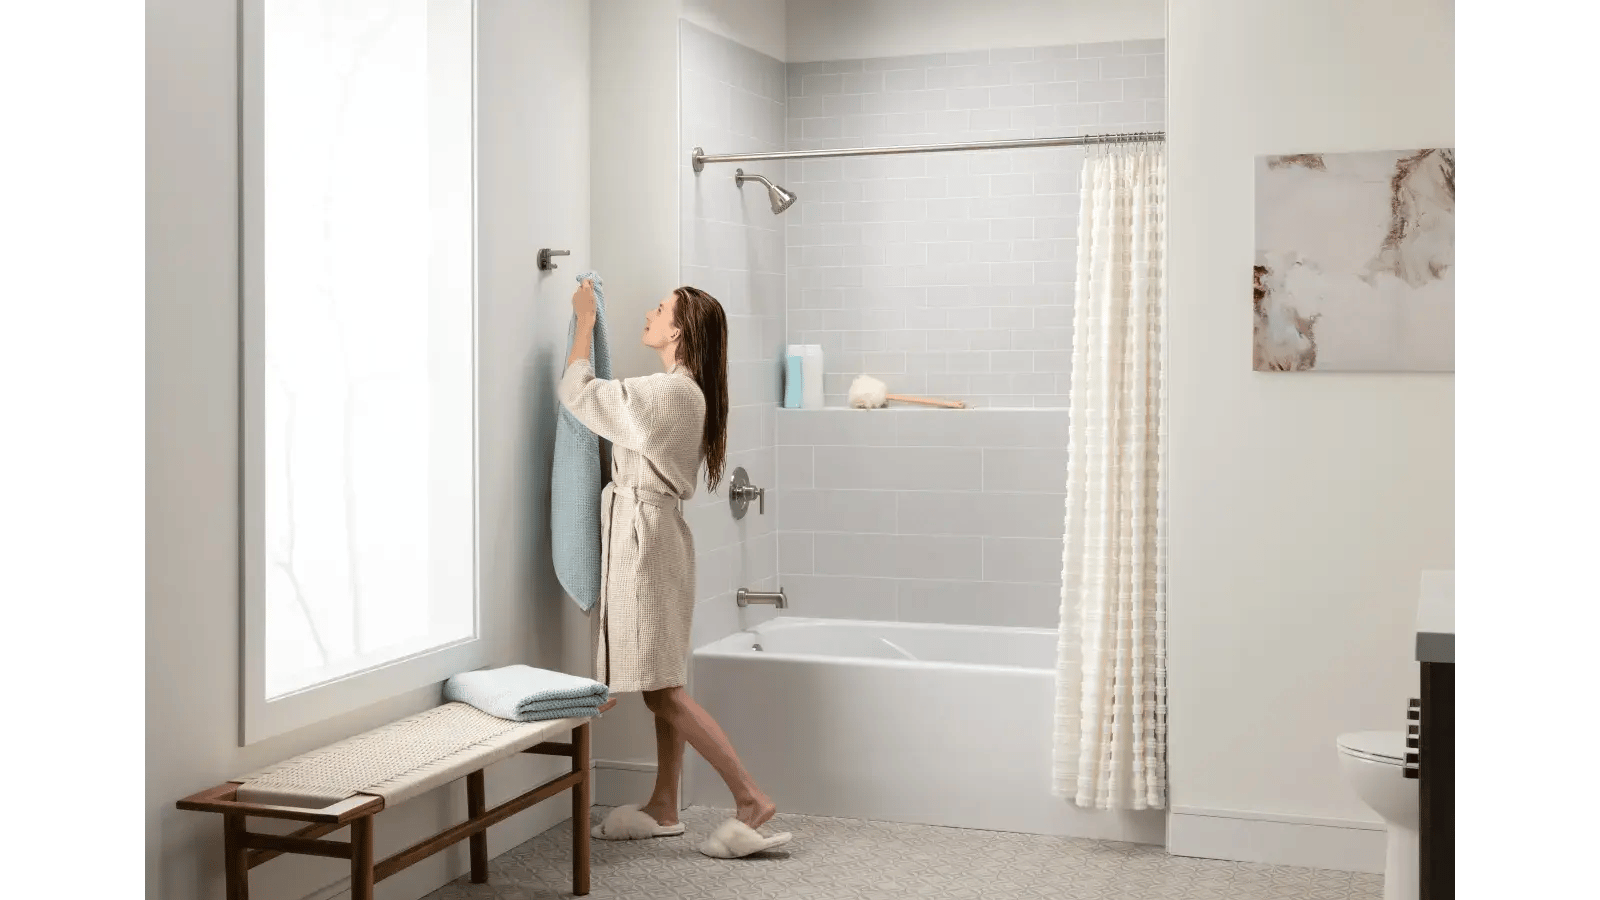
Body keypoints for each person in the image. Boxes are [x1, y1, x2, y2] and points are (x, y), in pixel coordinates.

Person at [559, 280, 790, 859]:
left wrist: (584, 322)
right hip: (656, 536)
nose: (649, 313)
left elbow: (578, 394)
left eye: (660, 309)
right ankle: (664, 804)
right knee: (662, 682)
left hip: (646, 543)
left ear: (679, 331)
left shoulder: (669, 394)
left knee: (663, 693)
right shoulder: (682, 392)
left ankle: (751, 799)